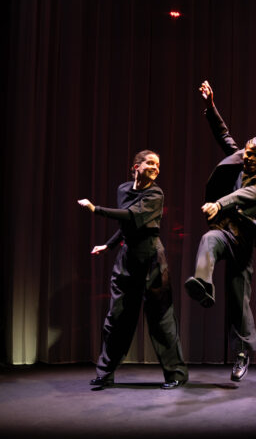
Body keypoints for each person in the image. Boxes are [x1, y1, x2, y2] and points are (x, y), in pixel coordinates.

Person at [184, 80, 256, 382]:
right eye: (248, 153)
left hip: (243, 241)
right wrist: (210, 107)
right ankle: (203, 285)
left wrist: (217, 204)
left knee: (240, 300)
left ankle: (241, 355)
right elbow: (223, 134)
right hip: (225, 232)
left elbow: (242, 198)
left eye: (255, 156)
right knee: (209, 238)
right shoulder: (239, 159)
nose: (249, 158)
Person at [77, 150, 188, 389]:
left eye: (158, 165)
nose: (156, 167)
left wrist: (96, 210)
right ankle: (105, 373)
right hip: (127, 259)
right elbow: (126, 224)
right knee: (116, 318)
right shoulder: (123, 189)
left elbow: (131, 215)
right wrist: (108, 245)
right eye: (150, 163)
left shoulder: (156, 193)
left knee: (161, 320)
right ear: (135, 166)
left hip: (151, 259)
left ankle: (176, 374)